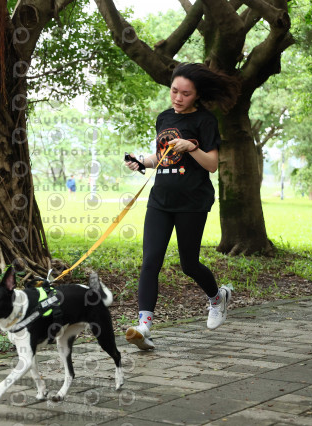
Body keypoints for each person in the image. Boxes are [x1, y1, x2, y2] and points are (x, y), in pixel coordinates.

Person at [124, 63, 240, 350]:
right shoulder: (164, 117)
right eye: (174, 91)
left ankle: (217, 298)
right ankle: (144, 327)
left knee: (188, 264)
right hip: (160, 201)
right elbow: (160, 155)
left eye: (185, 94)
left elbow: (212, 164)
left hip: (192, 202)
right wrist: (141, 162)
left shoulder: (205, 121)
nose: (178, 97)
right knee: (150, 262)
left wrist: (192, 147)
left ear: (196, 95)